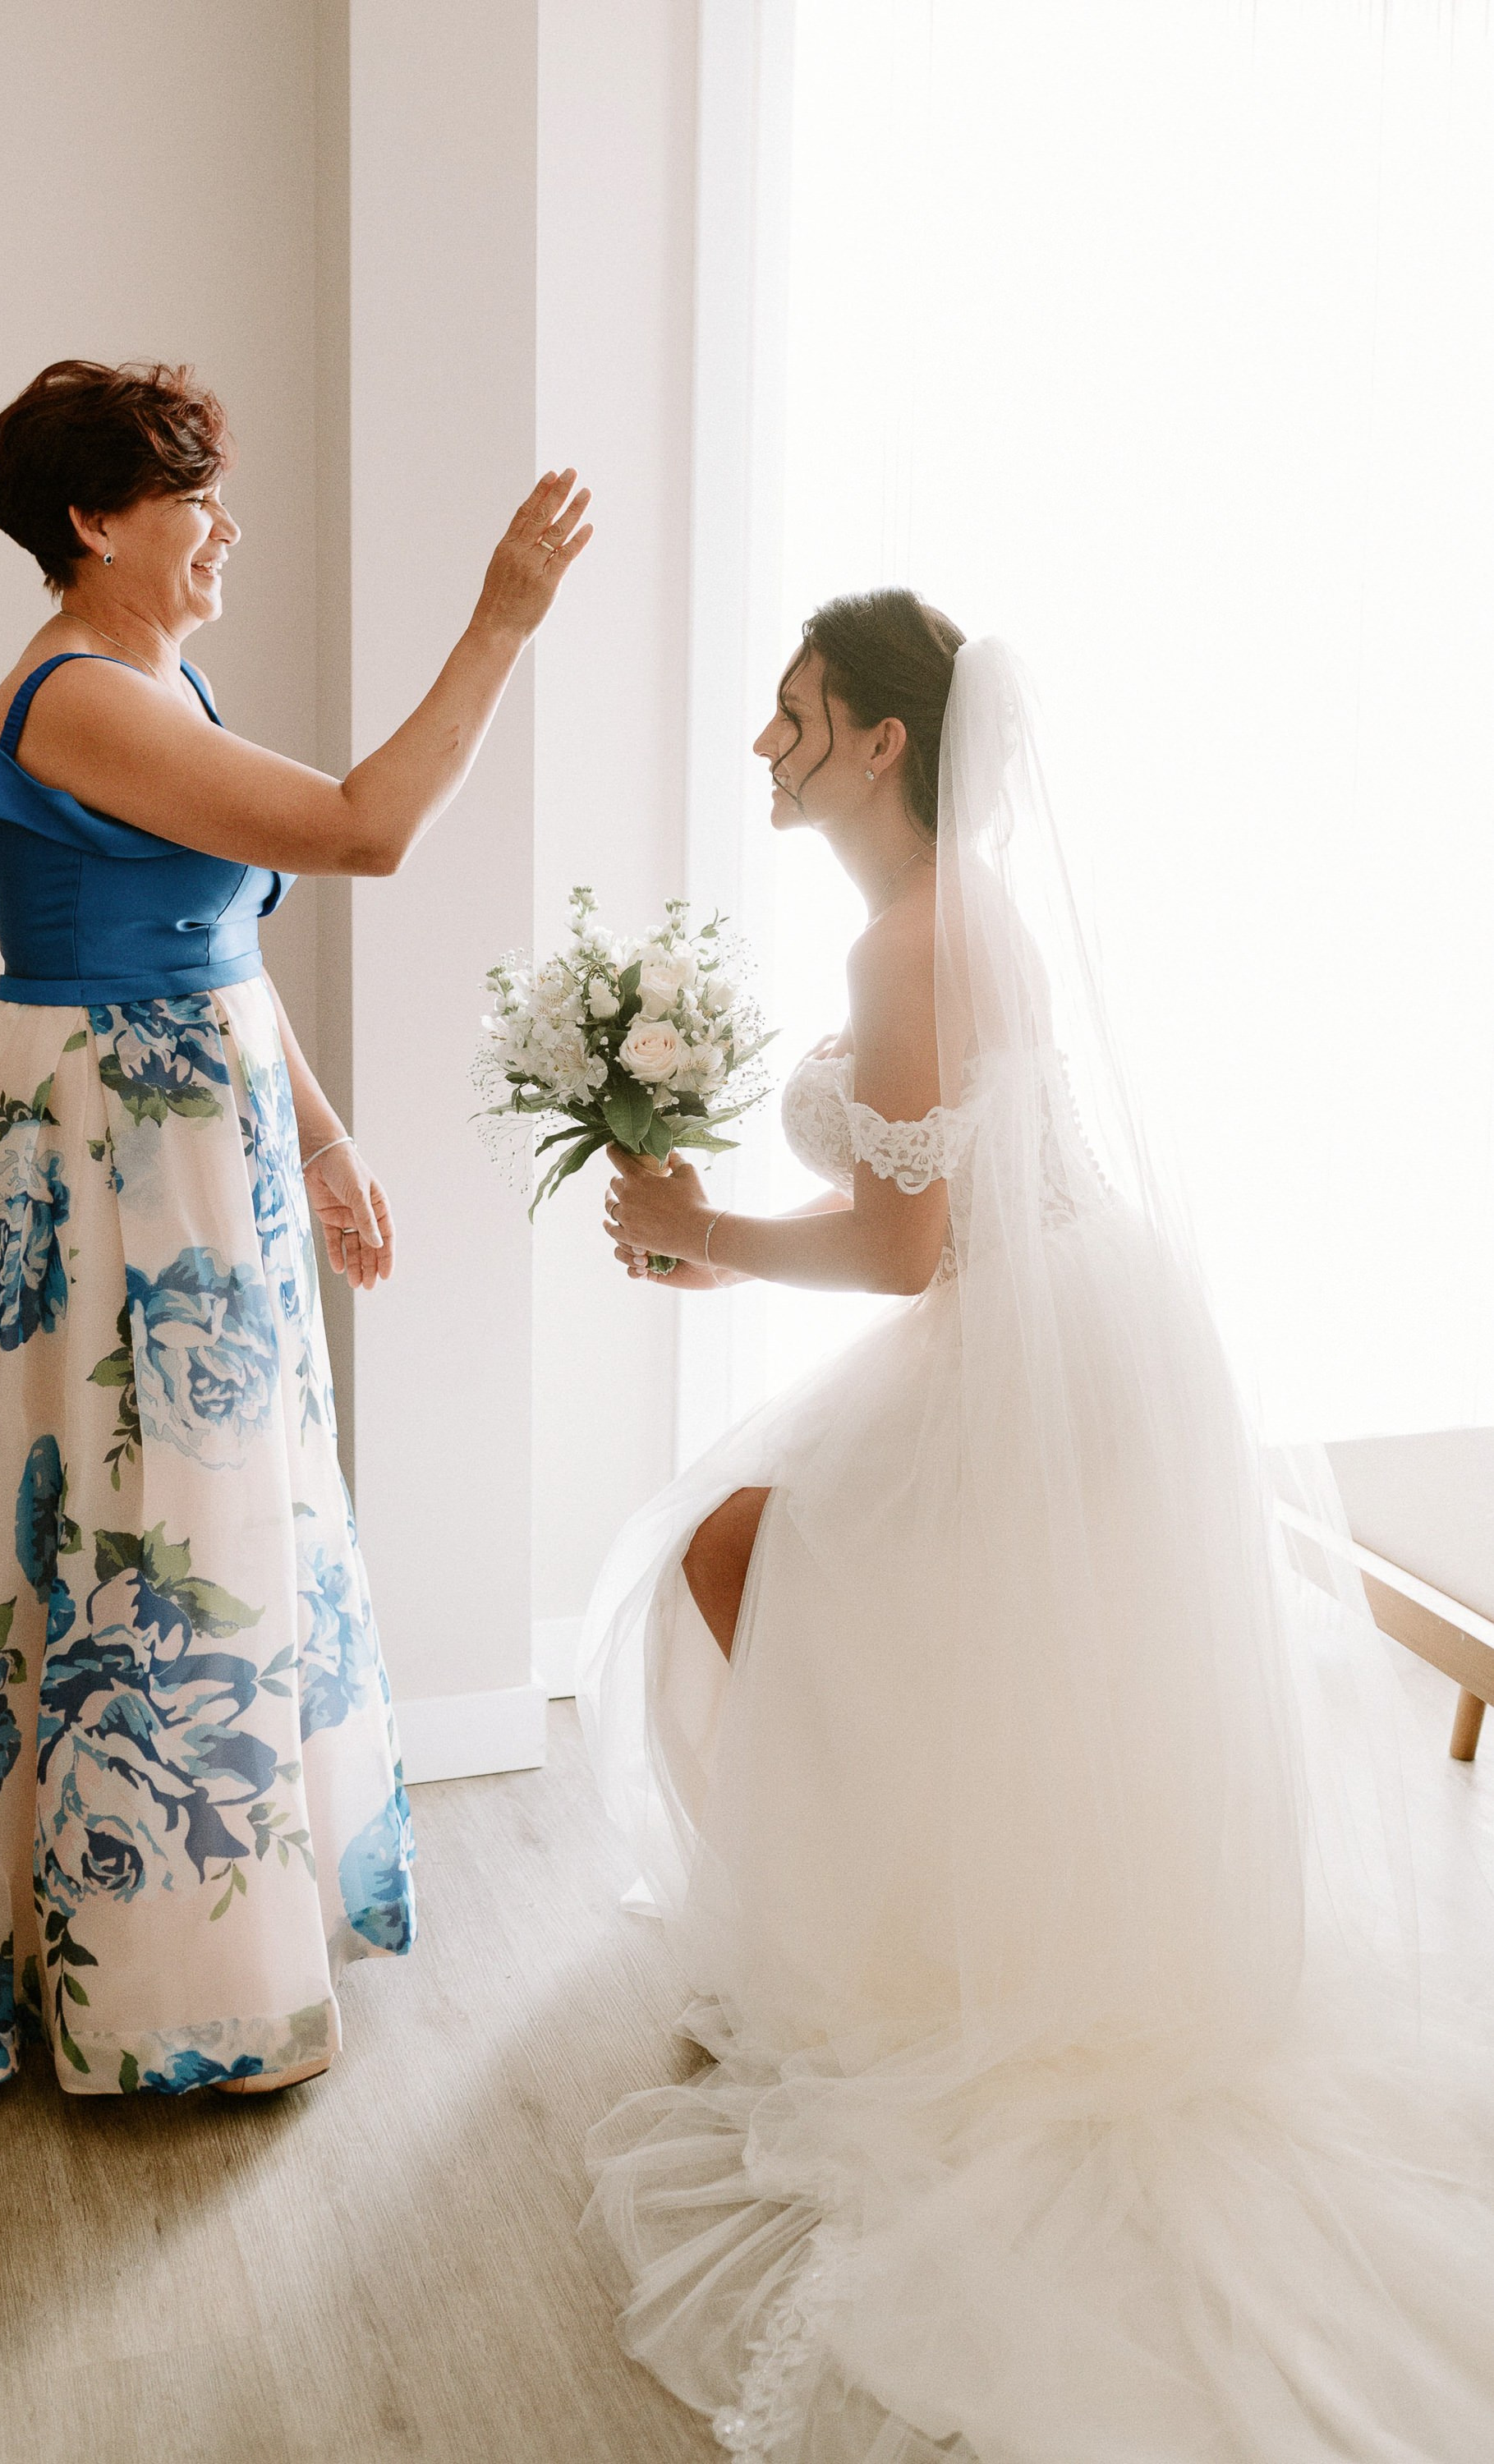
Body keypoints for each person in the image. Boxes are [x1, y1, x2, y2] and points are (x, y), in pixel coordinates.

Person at [581, 593, 1494, 2461]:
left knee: (751, 1549)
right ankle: (903, 1934)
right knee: (760, 1552)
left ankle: (887, 1972)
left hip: (1030, 1341)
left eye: (794, 712)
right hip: (1051, 1326)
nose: (765, 742)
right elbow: (942, 1214)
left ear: (881, 744)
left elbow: (916, 1243)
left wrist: (704, 1233)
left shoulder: (917, 936)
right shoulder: (924, 919)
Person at [0, 357, 590, 2098]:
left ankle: (183, 1923)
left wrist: (322, 1138)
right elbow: (361, 832)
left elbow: (229, 941)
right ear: (97, 521)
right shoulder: (81, 700)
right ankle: (122, 1969)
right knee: (113, 1522)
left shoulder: (163, 680)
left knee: (200, 1501)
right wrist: (500, 618)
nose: (225, 525)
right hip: (103, 1143)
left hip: (193, 1123)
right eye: (195, 495)